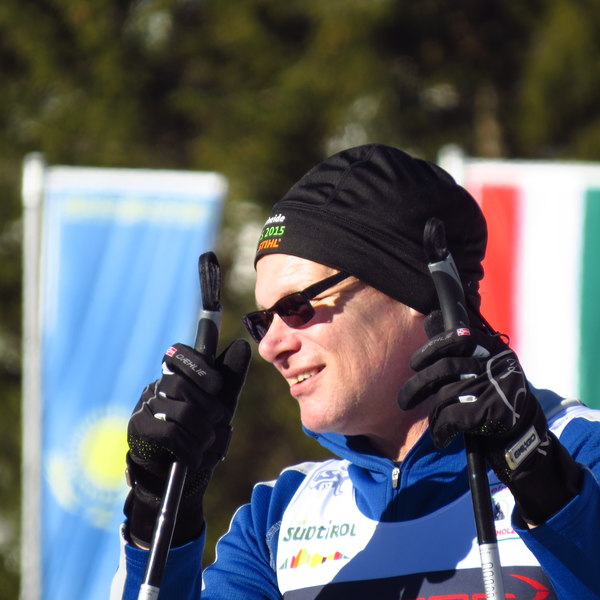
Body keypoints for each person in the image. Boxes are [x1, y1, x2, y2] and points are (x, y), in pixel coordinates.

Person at [111, 144, 600, 599]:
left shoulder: (581, 451)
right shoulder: (280, 517)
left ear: (417, 294)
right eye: (263, 322)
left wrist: (543, 483)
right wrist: (160, 512)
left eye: (297, 307)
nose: (272, 346)